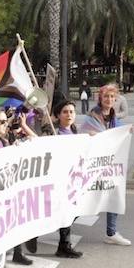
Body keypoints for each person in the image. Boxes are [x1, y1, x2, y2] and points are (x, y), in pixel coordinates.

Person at [0, 107, 38, 267]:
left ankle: (16, 254)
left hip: (6, 193)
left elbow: (35, 140)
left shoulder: (6, 142)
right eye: (2, 121)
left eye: (7, 121)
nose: (6, 124)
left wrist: (22, 130)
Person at [85, 83, 131, 246]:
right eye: (106, 96)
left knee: (114, 195)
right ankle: (64, 227)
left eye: (112, 97)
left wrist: (126, 132)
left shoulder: (114, 117)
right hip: (93, 166)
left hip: (109, 166)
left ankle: (111, 233)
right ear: (100, 98)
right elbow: (86, 135)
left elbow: (116, 137)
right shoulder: (92, 116)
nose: (109, 99)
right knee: (84, 198)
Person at [50, 100, 84, 259]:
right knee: (66, 211)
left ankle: (63, 244)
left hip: (74, 179)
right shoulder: (53, 132)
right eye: (65, 112)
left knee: (74, 211)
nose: (69, 114)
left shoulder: (75, 131)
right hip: (59, 180)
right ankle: (64, 245)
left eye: (71, 111)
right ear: (57, 115)